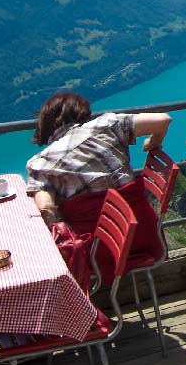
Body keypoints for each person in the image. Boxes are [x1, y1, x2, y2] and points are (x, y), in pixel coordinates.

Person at [26, 92, 172, 288]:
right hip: (146, 235)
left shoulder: (41, 164)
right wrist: (152, 143)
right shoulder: (108, 124)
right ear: (82, 112)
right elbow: (163, 119)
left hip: (98, 253)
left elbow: (45, 210)